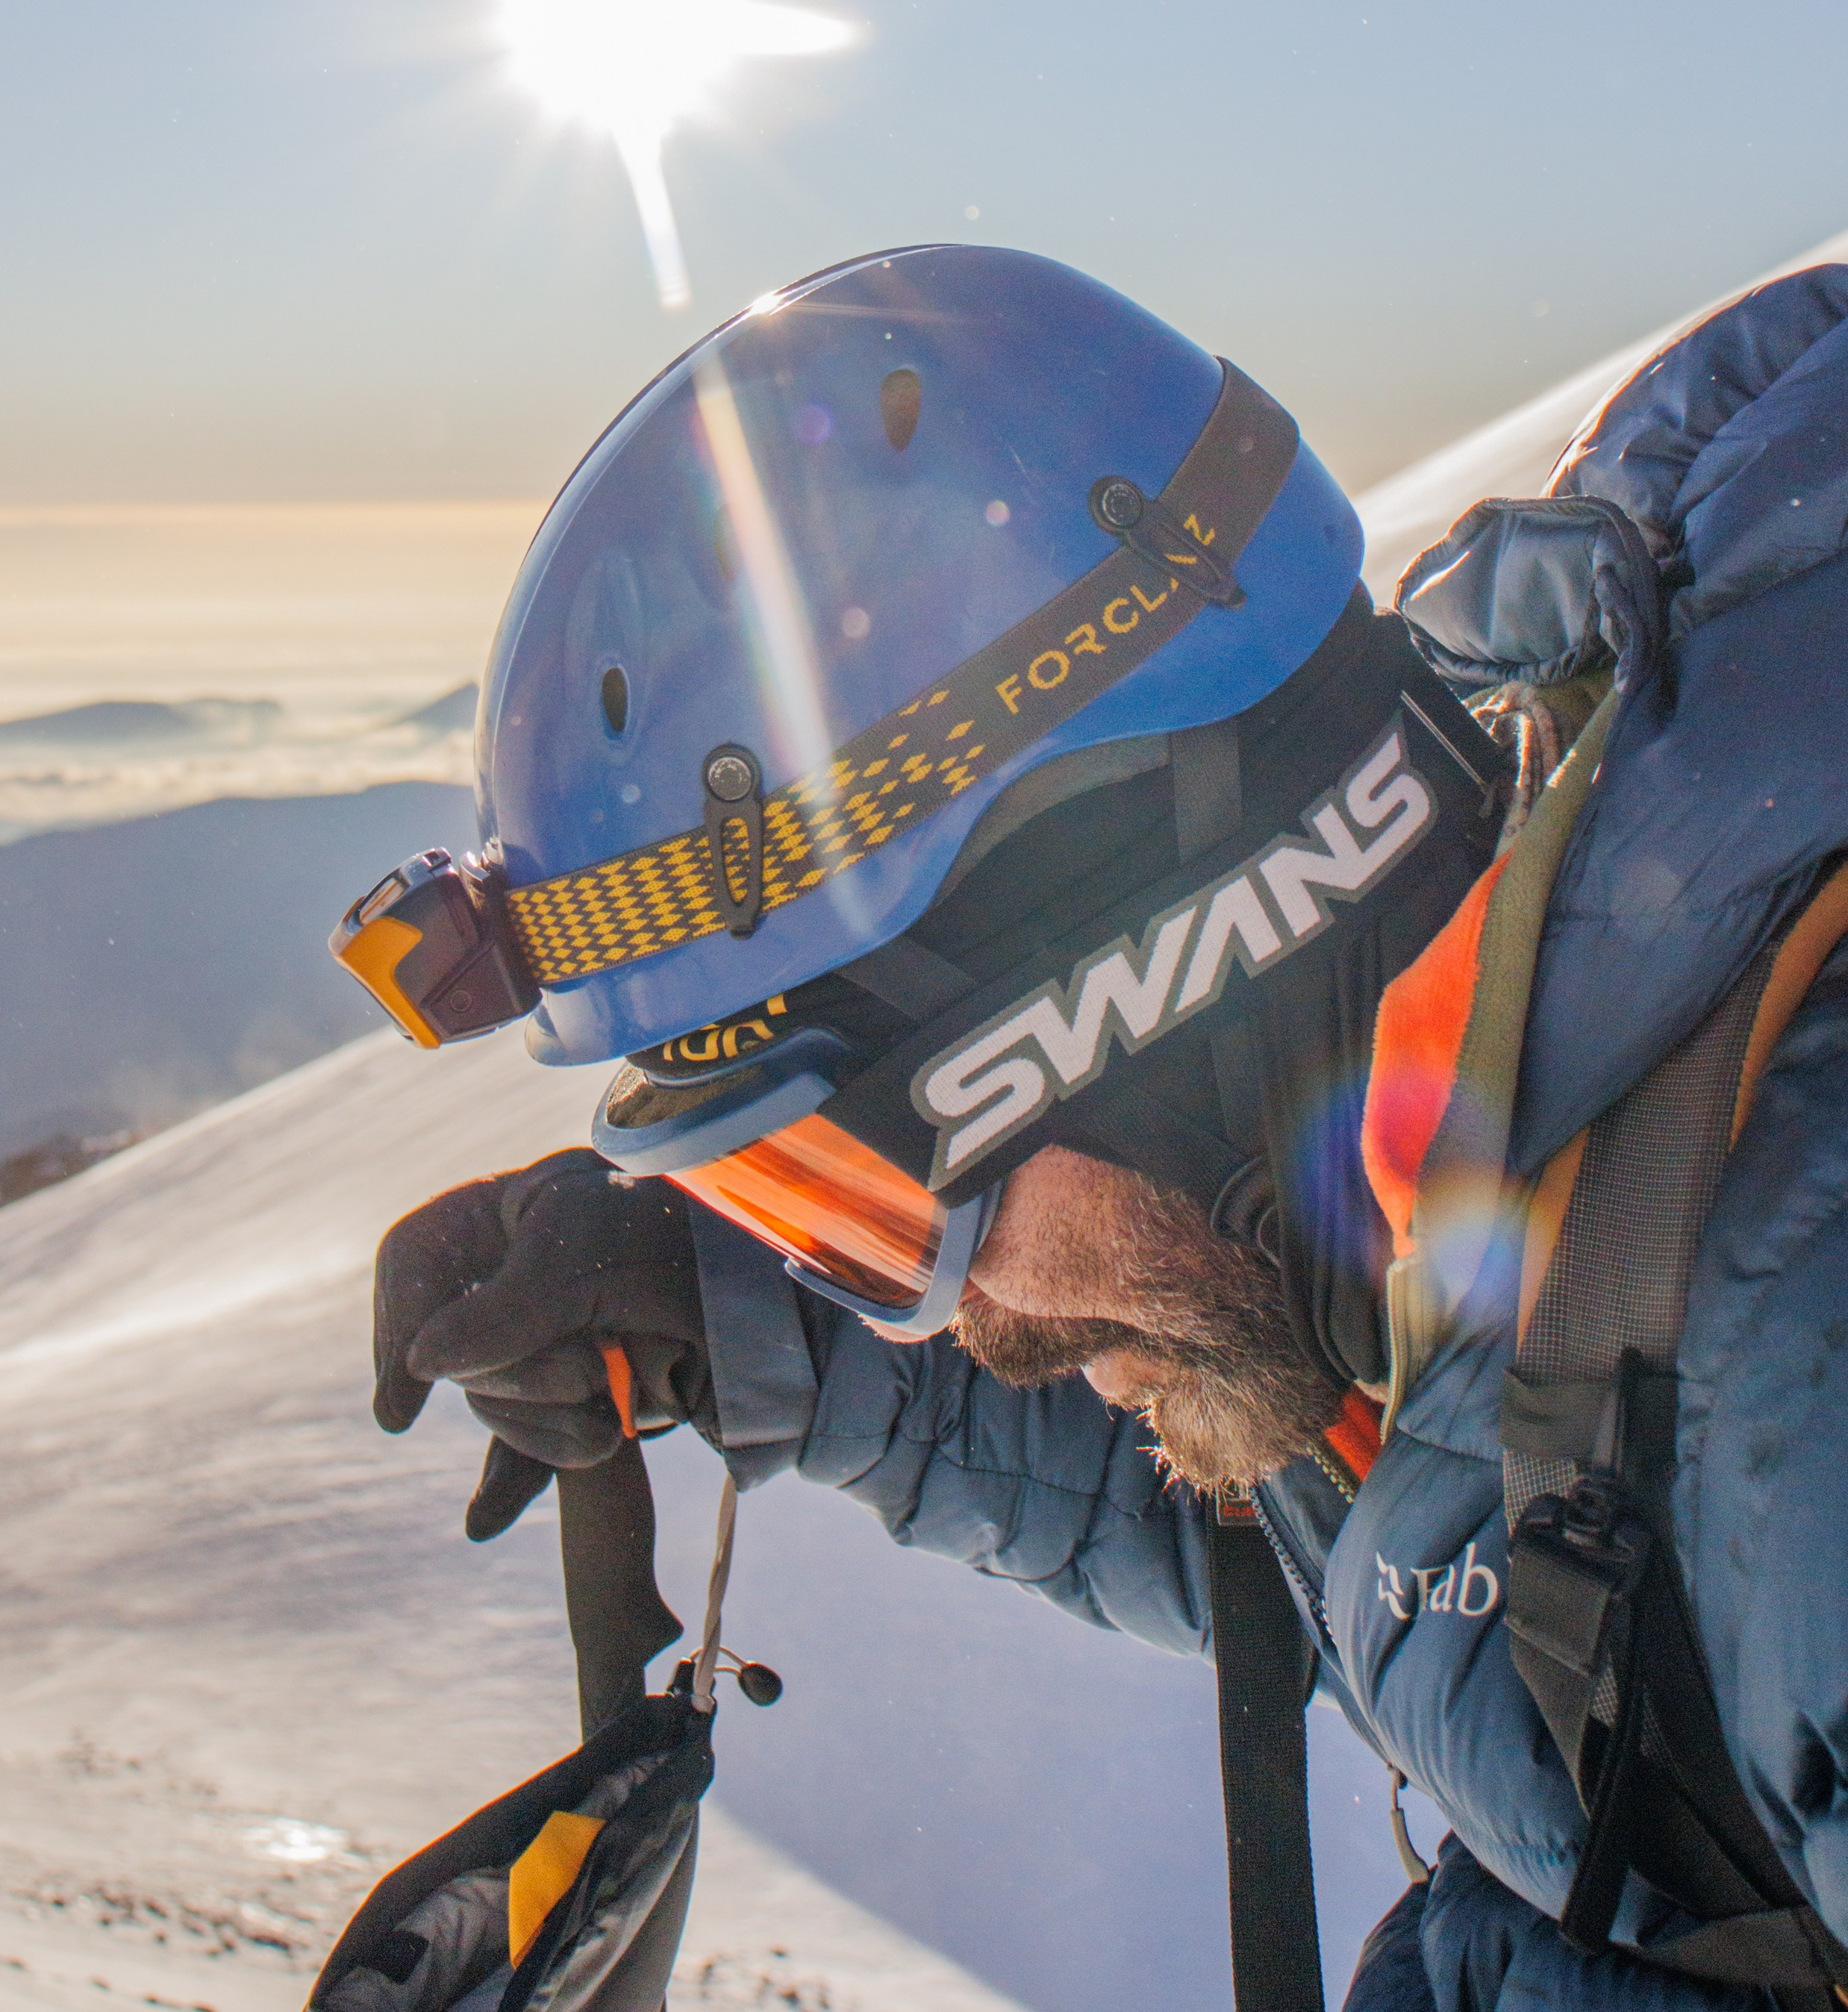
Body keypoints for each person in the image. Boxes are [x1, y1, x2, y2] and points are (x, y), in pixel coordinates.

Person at [347, 243, 1848, 2012]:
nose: (970, 1319)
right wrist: (734, 1320)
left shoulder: (1796, 1402)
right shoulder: (1436, 1203)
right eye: (791, 1210)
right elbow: (1396, 1542)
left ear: (1142, 982)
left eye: (857, 1194)